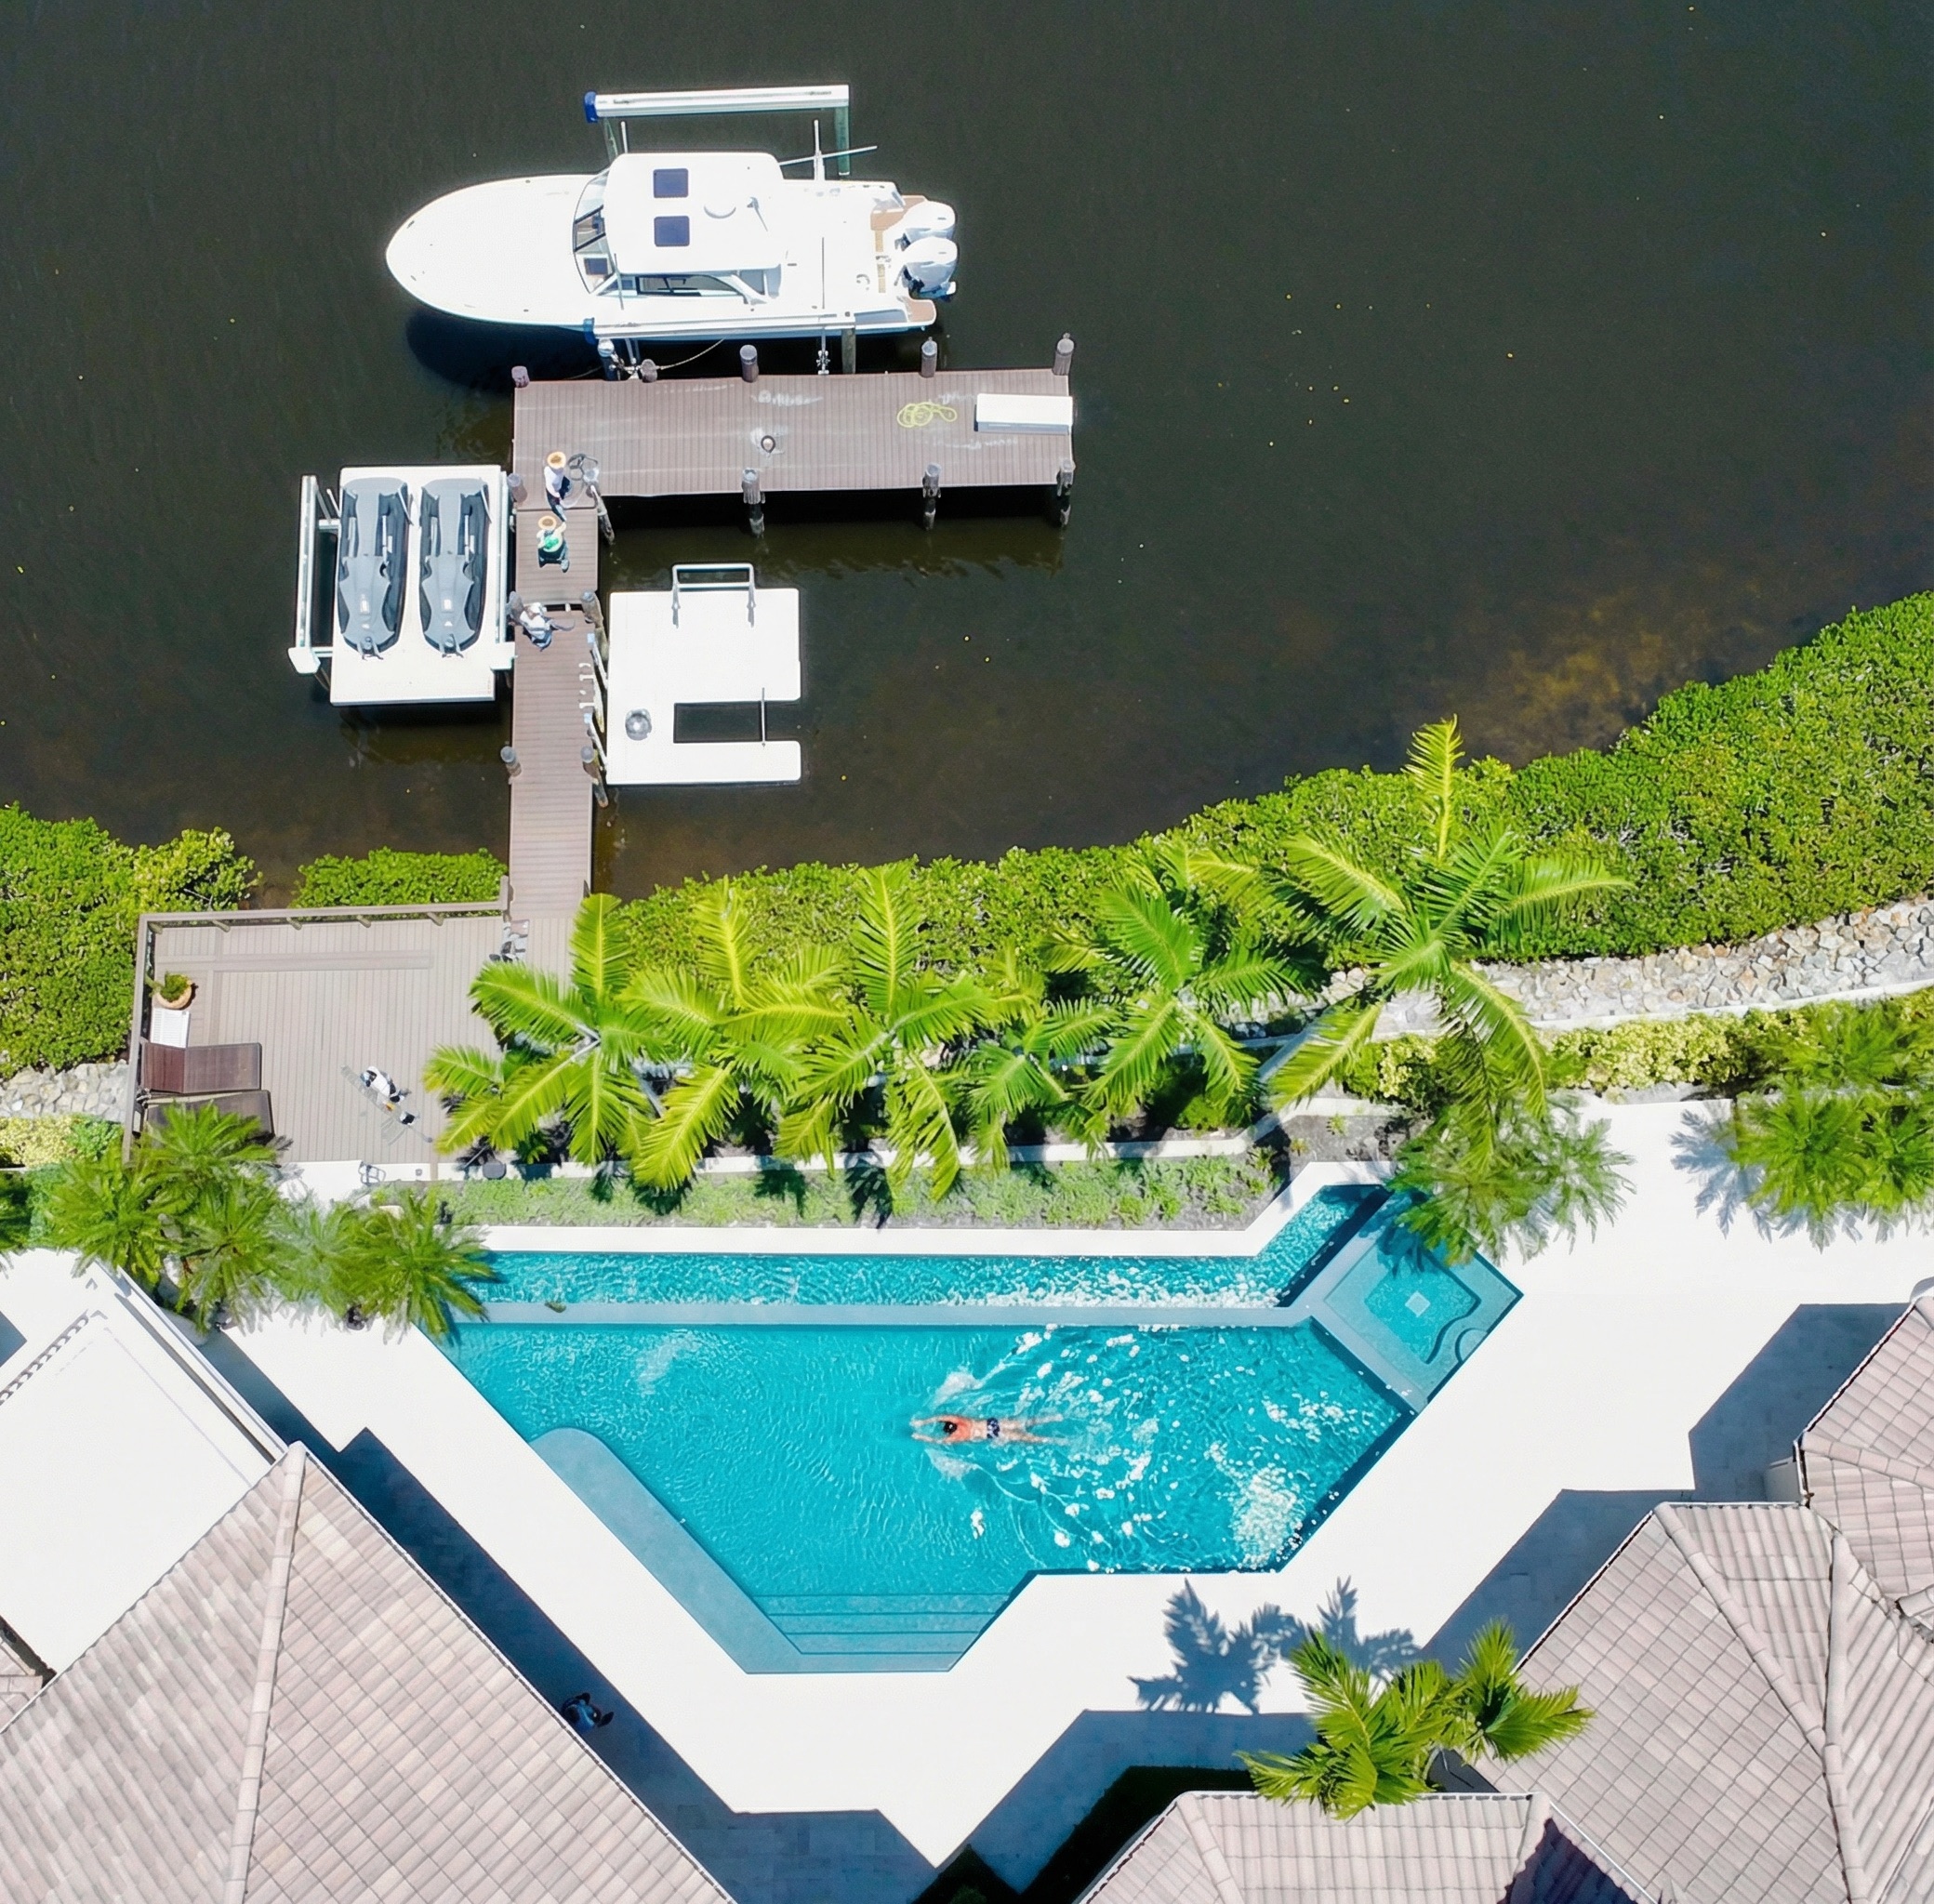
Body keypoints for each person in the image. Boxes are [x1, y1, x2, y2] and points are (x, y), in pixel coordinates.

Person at [912, 1414, 1056, 1446]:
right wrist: (923, 1421)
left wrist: (921, 1437)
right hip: (993, 1423)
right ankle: (1053, 1418)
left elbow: (938, 1441)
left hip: (991, 1434)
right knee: (1026, 1423)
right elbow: (944, 1417)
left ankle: (1056, 1441)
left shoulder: (957, 1436)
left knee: (1028, 1439)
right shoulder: (963, 1421)